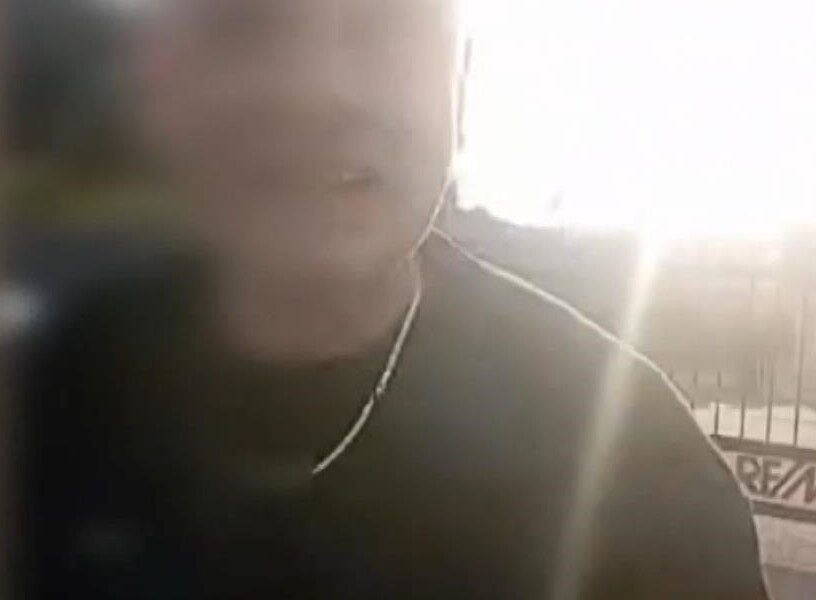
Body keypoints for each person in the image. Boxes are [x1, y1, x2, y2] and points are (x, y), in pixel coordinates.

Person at [12, 0, 768, 598]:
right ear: (160, 85)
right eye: (251, 25)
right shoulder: (41, 408)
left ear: (458, 82)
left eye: (385, 25)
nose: (321, 91)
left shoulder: (637, 472)